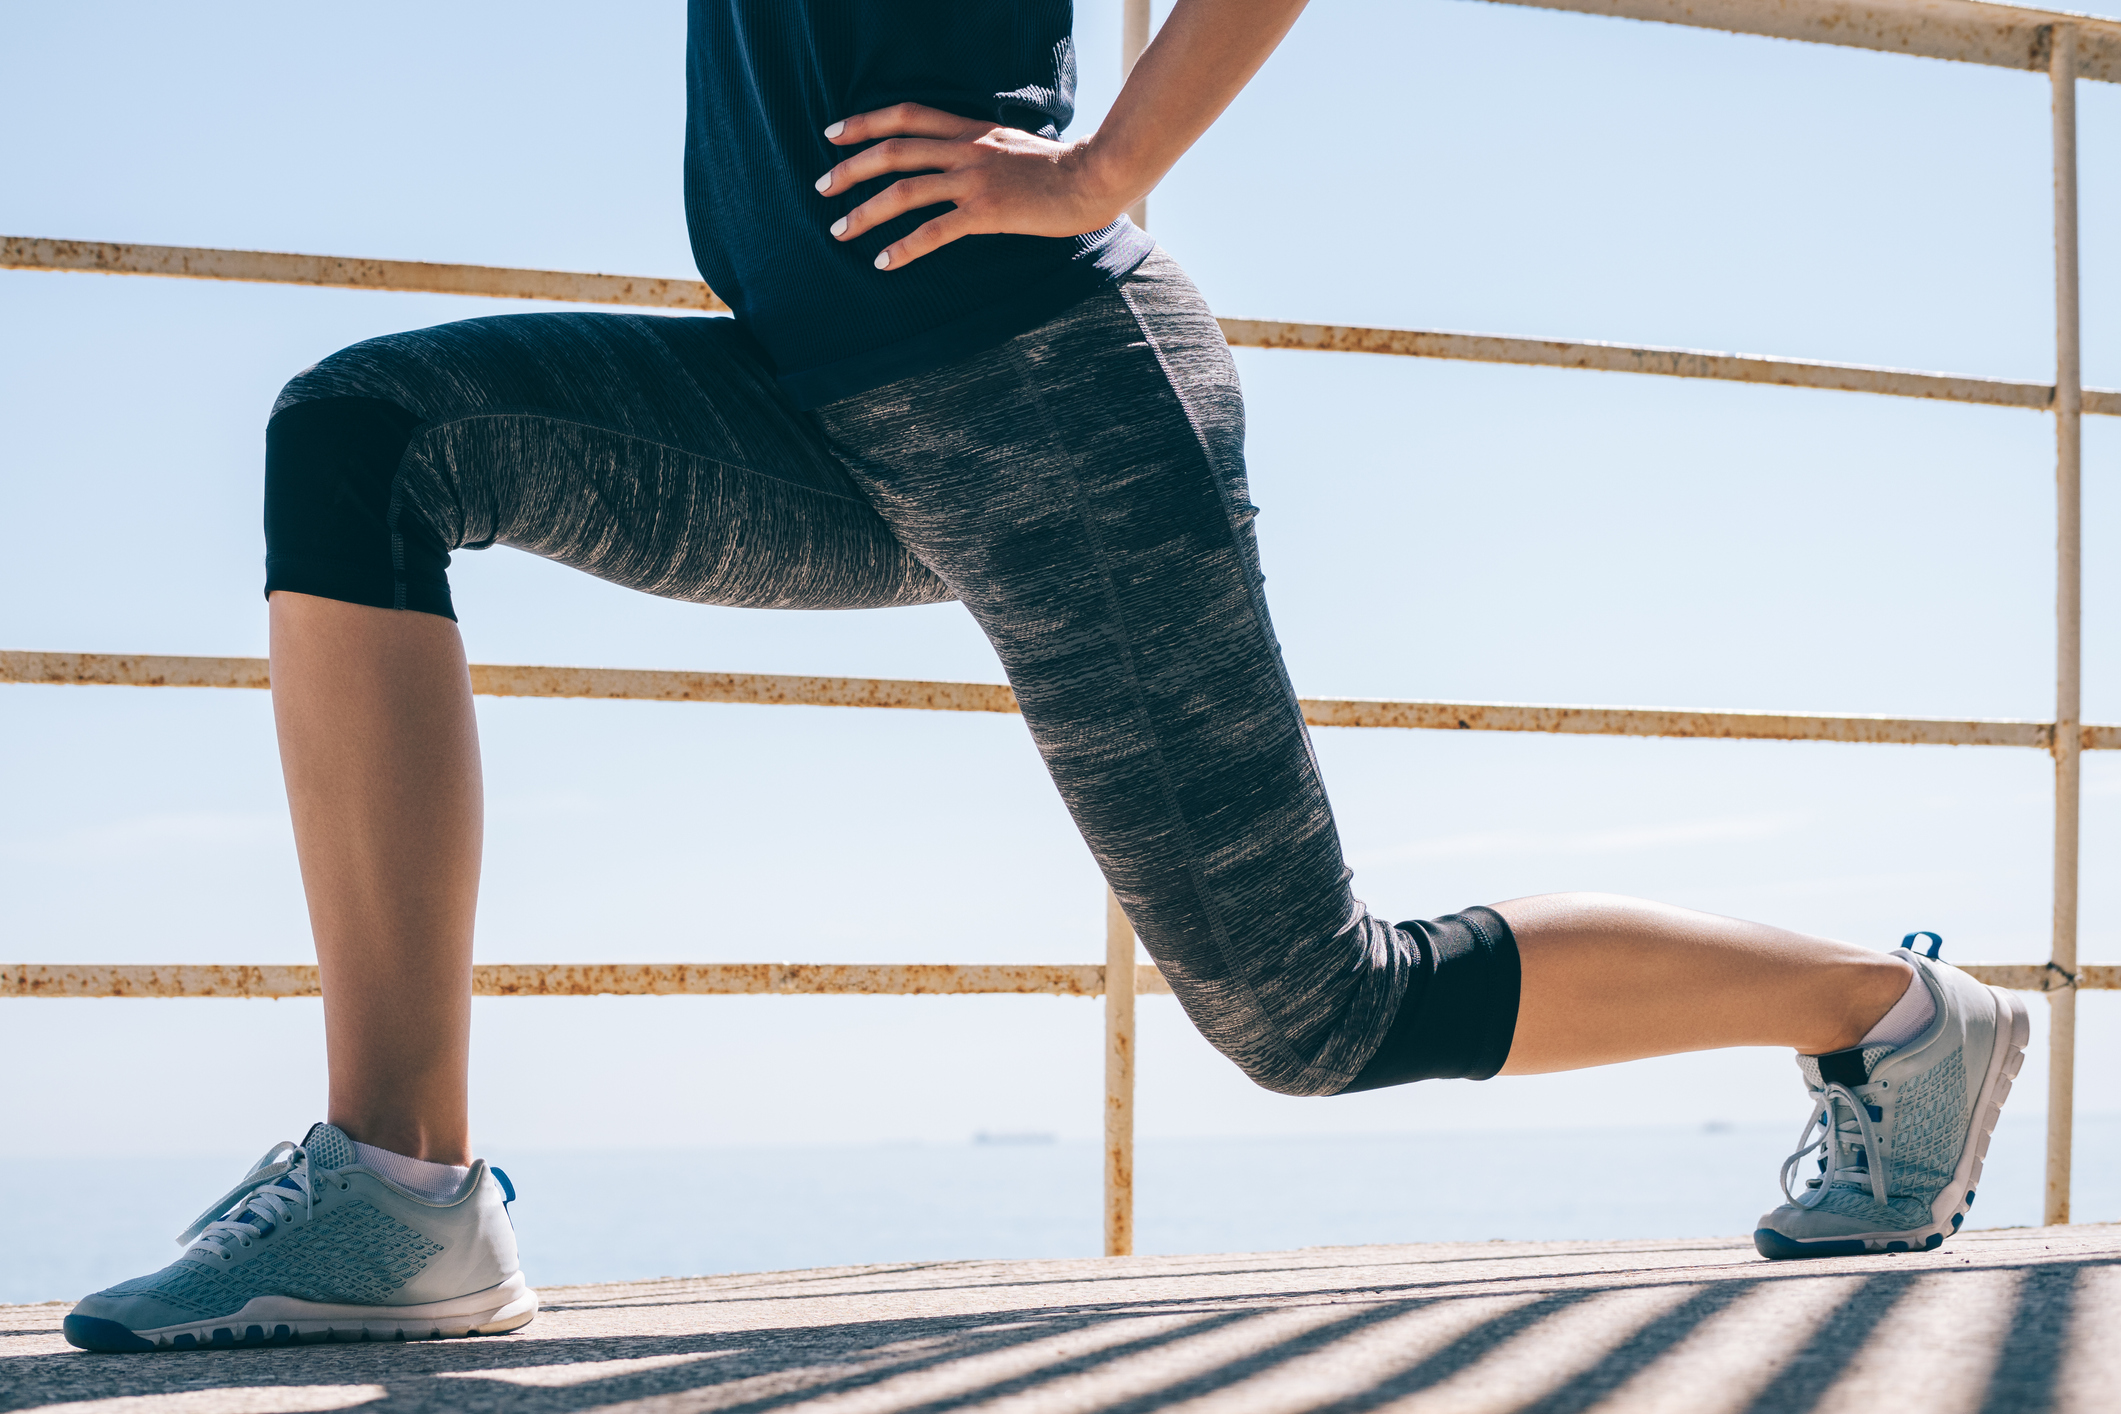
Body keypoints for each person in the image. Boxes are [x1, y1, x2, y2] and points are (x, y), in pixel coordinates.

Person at [64, 0, 2027, 1355]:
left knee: (1313, 1007)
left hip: (1048, 398)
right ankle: (402, 1191)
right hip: (813, 401)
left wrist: (1102, 165)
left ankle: (1892, 1011)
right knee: (368, 434)